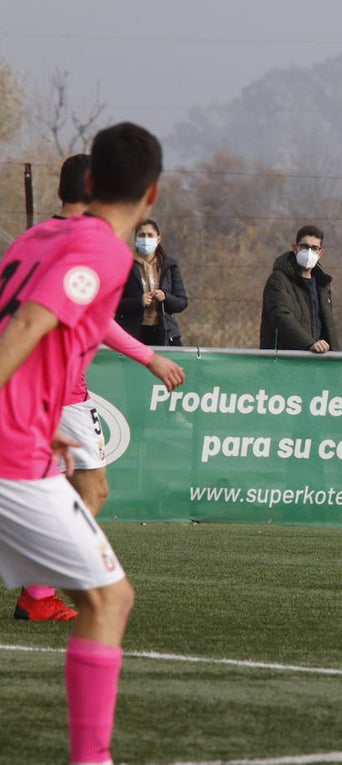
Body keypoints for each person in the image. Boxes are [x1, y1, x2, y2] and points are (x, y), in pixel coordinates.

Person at [0, 121, 162, 765]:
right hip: (11, 456)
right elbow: (29, 326)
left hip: (29, 445)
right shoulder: (103, 253)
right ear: (152, 196)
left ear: (90, 182)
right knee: (108, 599)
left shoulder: (39, 234)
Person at [13, 156, 186, 623]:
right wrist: (149, 355)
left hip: (34, 395)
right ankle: (39, 594)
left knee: (54, 491)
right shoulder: (88, 246)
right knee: (92, 492)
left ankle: (38, 589)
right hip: (56, 392)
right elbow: (84, 318)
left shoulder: (30, 239)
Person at [259, 225, 338, 353]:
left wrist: (335, 358)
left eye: (314, 248)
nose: (309, 252)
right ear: (295, 248)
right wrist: (309, 344)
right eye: (305, 247)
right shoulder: (279, 280)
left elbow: (329, 327)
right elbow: (280, 316)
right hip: (285, 360)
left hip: (318, 361)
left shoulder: (322, 285)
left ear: (320, 253)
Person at [114, 218, 188, 346]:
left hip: (165, 332)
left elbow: (182, 303)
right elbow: (112, 303)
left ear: (158, 239)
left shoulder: (169, 265)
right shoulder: (123, 263)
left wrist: (165, 297)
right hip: (130, 332)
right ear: (136, 239)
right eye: (142, 235)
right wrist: (138, 301)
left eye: (150, 235)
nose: (146, 239)